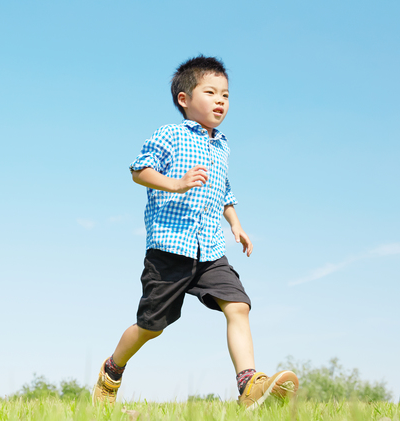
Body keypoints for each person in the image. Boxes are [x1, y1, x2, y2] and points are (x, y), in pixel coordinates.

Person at [91, 56, 298, 410]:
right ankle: (112, 371)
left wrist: (236, 223)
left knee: (239, 305)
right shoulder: (169, 134)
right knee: (152, 326)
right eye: (211, 92)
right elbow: (139, 170)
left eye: (226, 95)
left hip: (210, 249)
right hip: (170, 248)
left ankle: (248, 384)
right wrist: (175, 183)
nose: (221, 101)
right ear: (185, 99)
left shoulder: (222, 146)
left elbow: (224, 189)